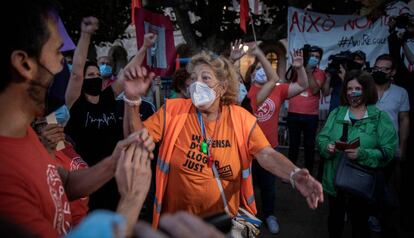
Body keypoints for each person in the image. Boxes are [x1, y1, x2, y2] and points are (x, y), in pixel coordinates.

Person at [0, 1, 154, 237]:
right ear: (24, 64)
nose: (63, 64)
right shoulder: (5, 174)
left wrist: (115, 161)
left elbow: (65, 184)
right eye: (57, 53)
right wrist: (132, 199)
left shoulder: (26, 134)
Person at [121, 51, 324, 228]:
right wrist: (131, 101)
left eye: (206, 78)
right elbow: (137, 140)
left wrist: (293, 174)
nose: (196, 84)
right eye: (193, 78)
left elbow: (266, 153)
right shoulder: (173, 110)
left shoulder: (240, 118)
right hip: (176, 225)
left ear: (222, 85)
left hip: (224, 224)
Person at [64, 16, 157, 211]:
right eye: (91, 75)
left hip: (117, 174)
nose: (96, 77)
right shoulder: (76, 103)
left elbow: (127, 74)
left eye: (98, 75)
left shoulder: (108, 97)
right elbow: (76, 72)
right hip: (89, 176)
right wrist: (85, 35)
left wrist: (144, 48)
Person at [316, 70, 397, 238]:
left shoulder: (379, 117)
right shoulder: (337, 113)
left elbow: (388, 151)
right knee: (334, 221)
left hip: (362, 184)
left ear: (367, 90)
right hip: (335, 181)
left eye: (357, 88)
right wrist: (327, 147)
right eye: (349, 88)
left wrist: (363, 154)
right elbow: (322, 138)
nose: (353, 92)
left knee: (360, 223)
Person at [245, 46, 308, 234]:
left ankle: (270, 215)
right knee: (246, 187)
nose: (261, 72)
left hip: (268, 149)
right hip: (246, 150)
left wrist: (299, 68)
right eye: (257, 69)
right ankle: (247, 218)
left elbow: (303, 85)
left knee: (268, 187)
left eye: (264, 68)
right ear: (251, 74)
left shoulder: (278, 90)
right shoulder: (246, 93)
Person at [370, 54, 410, 235]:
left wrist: (402, 147)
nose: (379, 71)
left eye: (384, 69)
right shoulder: (365, 89)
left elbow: (404, 120)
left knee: (383, 186)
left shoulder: (401, 93)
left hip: (388, 149)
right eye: (377, 68)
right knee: (363, 184)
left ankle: (377, 217)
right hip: (365, 149)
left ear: (392, 72)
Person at [287, 45, 326, 175]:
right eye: (312, 56)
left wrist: (309, 71)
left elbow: (315, 90)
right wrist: (299, 67)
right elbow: (288, 80)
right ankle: (290, 173)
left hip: (311, 116)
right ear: (307, 56)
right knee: (293, 145)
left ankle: (307, 173)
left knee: (309, 146)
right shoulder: (297, 68)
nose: (314, 58)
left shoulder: (320, 73)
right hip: (293, 112)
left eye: (317, 57)